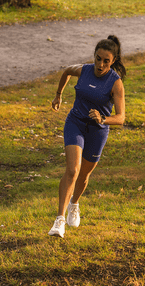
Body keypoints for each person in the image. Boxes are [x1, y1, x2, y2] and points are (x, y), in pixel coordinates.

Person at [48, 35, 126, 238]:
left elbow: (121, 117)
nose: (100, 64)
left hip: (97, 131)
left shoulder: (115, 83)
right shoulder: (83, 70)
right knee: (73, 170)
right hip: (75, 123)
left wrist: (103, 118)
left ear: (113, 61)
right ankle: (59, 220)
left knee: (84, 175)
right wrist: (58, 94)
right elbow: (66, 71)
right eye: (98, 59)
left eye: (105, 61)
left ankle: (74, 203)